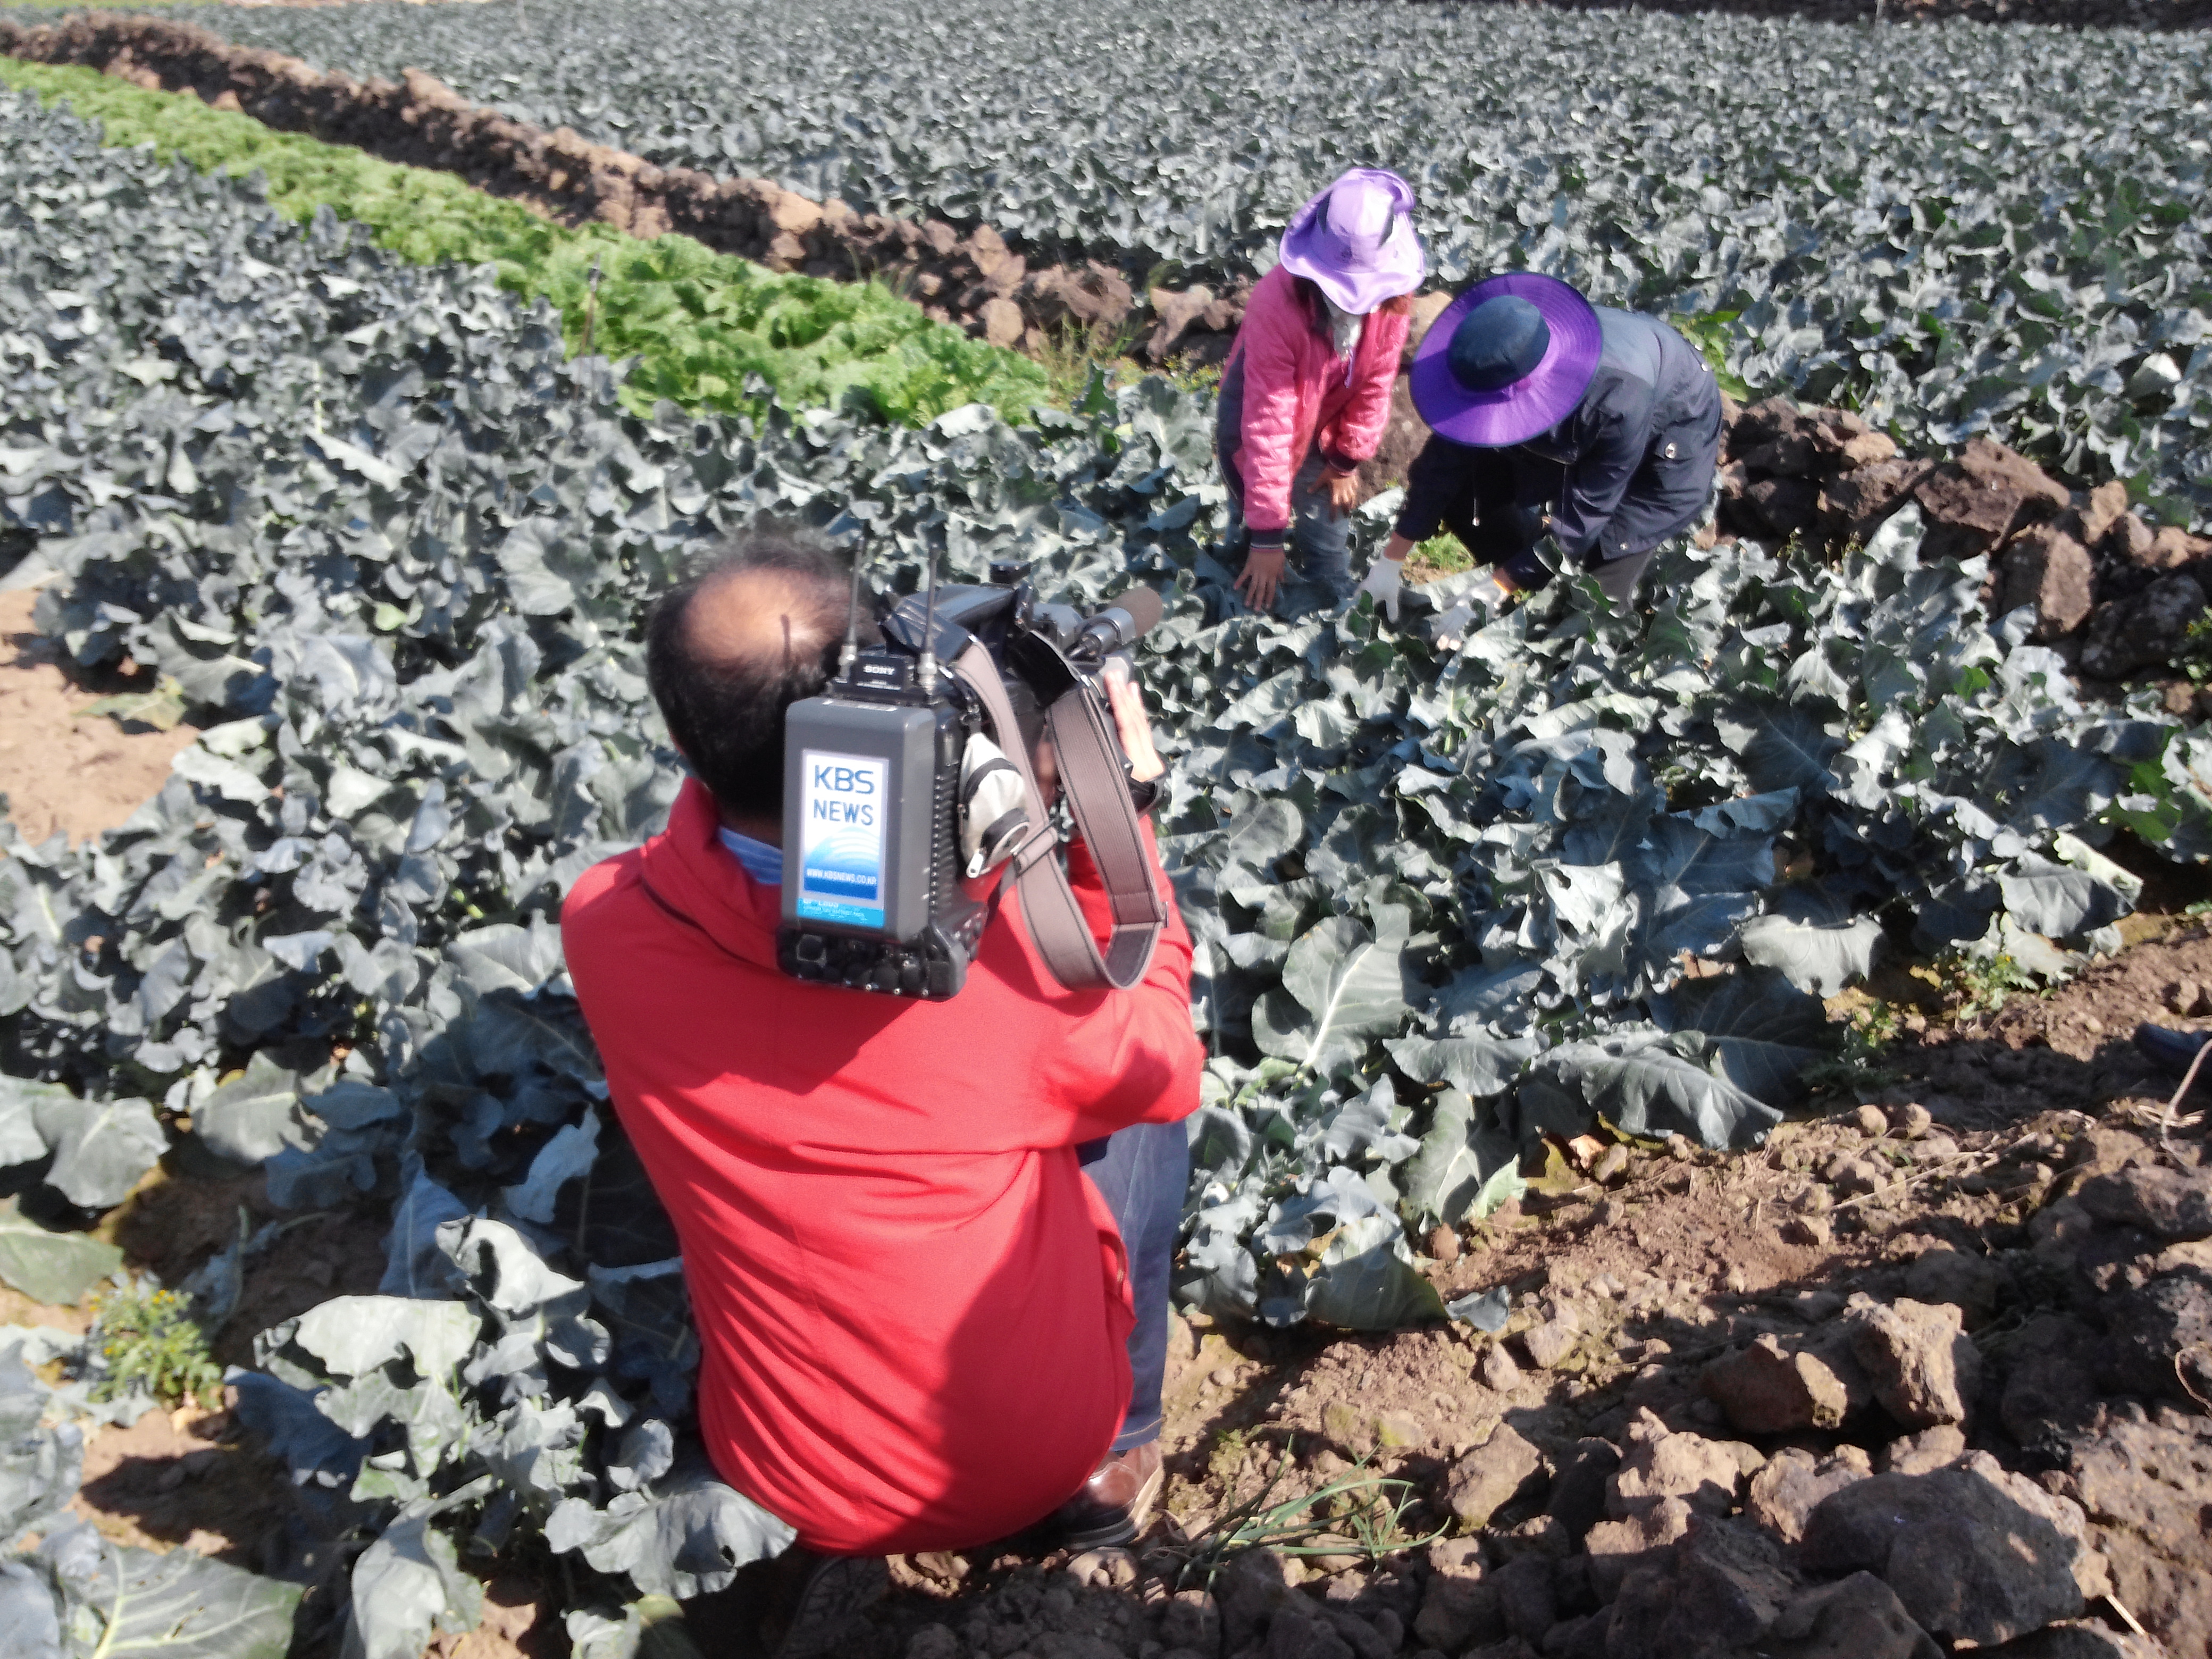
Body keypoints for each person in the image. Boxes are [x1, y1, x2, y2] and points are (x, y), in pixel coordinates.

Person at [560, 532, 1204, 1653]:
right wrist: (1117, 816)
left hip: (783, 1473)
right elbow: (1164, 1051)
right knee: (1147, 1108)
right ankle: (1115, 1458)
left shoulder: (605, 922)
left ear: (679, 737)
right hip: (1016, 1465)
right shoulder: (1005, 971)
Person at [1353, 272, 1722, 626]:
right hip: (1583, 405)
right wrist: (1391, 559)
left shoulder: (1617, 399)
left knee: (1598, 587)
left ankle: (1546, 611)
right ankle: (1513, 576)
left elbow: (1586, 516)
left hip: (1671, 431)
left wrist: (1499, 585)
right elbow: (1443, 462)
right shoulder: (1485, 357)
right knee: (1468, 493)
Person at [1218, 167, 1427, 615]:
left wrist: (1344, 460)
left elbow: (1376, 382)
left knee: (1328, 538)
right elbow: (1268, 426)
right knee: (1249, 536)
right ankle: (1248, 586)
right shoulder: (1276, 305)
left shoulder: (1395, 297)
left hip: (1328, 413)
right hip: (1257, 415)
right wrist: (1268, 536)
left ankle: (1330, 602)